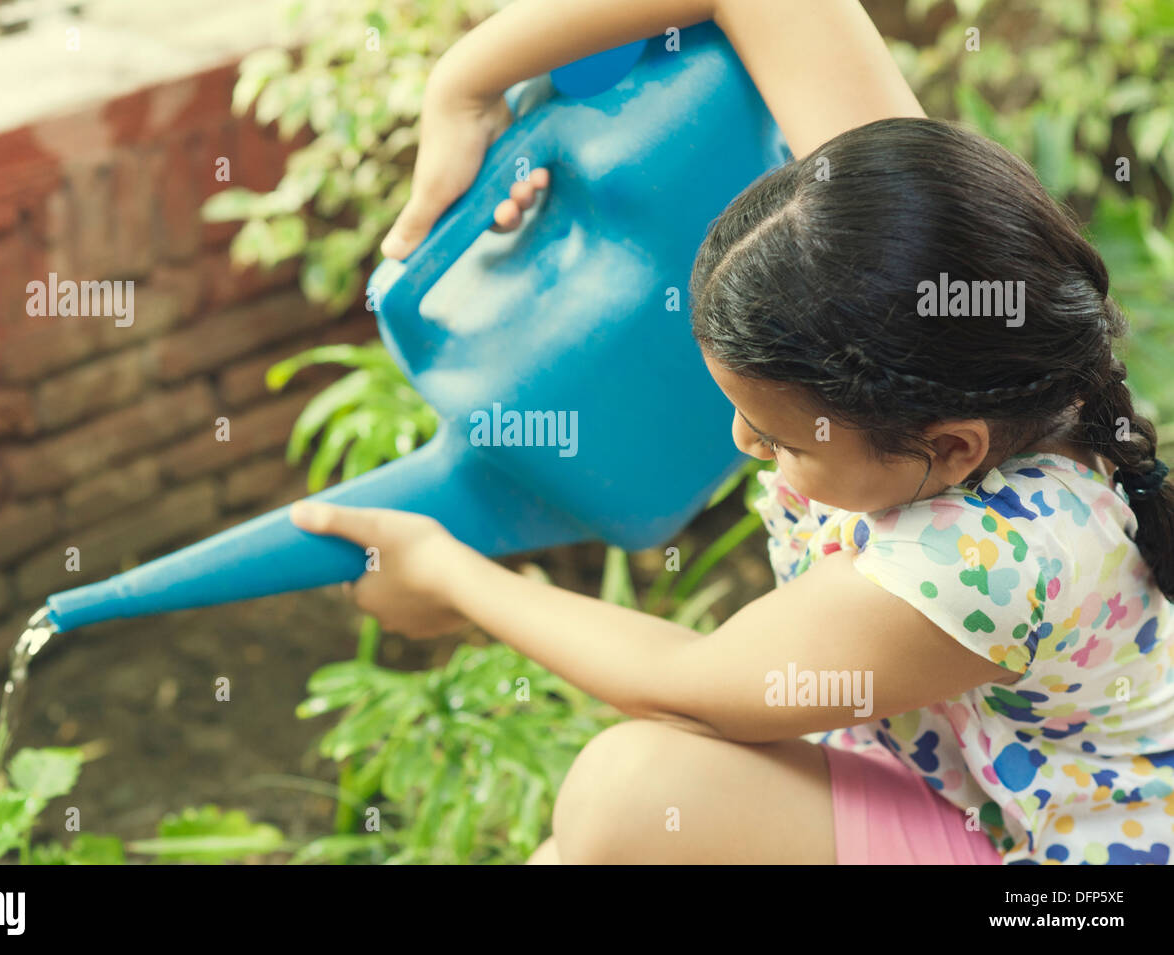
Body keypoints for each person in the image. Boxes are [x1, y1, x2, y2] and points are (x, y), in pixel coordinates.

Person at [291, 0, 1174, 865]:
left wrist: (449, 576)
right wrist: (464, 86)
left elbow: (692, 688)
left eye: (786, 439)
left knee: (633, 795)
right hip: (949, 782)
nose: (747, 445)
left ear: (950, 449)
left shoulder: (992, 557)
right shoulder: (907, 245)